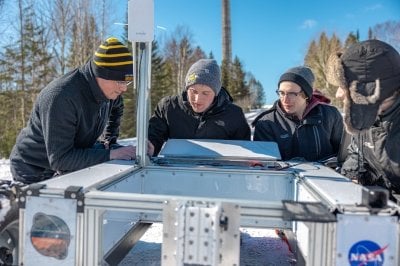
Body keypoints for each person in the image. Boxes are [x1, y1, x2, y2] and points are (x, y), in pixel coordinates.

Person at [10, 37, 138, 183]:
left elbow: (117, 108)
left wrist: (110, 140)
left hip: (70, 159)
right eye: (120, 81)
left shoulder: (109, 93)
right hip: (34, 167)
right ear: (101, 74)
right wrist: (111, 154)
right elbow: (61, 159)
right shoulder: (61, 96)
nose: (124, 88)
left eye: (128, 82)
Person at [326, 39, 400, 195]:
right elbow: (358, 154)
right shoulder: (365, 117)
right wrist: (352, 178)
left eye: (345, 87)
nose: (339, 94)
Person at [148, 59, 251, 156]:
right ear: (187, 88)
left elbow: (245, 153)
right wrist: (148, 146)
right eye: (193, 91)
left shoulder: (234, 115)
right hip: (176, 170)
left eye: (205, 93)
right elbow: (153, 137)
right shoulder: (168, 107)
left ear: (216, 93)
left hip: (218, 172)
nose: (197, 99)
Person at [252, 66, 343, 161]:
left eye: (292, 94)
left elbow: (343, 154)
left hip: (326, 175)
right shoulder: (267, 123)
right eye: (282, 93)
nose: (285, 100)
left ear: (306, 95)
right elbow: (264, 165)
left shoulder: (330, 115)